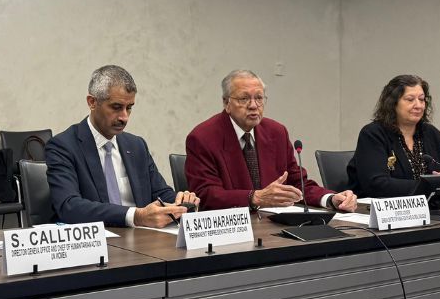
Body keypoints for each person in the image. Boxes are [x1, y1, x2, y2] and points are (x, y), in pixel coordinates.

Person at [46, 65, 199, 227]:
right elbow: (69, 206)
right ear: (92, 102)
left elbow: (160, 193)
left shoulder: (136, 145)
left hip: (144, 238)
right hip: (101, 238)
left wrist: (181, 202)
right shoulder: (63, 146)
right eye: (116, 107)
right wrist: (136, 216)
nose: (124, 117)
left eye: (129, 108)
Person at [186, 69, 357, 212]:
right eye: (244, 99)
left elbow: (298, 184)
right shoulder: (203, 137)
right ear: (226, 103)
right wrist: (255, 197)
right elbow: (206, 195)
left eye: (259, 98)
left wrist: (331, 199)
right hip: (233, 229)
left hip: (274, 226)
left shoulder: (276, 132)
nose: (253, 105)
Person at [346, 74, 440, 198]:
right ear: (393, 103)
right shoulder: (373, 134)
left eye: (421, 99)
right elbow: (376, 184)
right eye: (410, 100)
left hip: (427, 206)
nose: (418, 105)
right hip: (376, 207)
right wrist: (427, 185)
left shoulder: (431, 133)